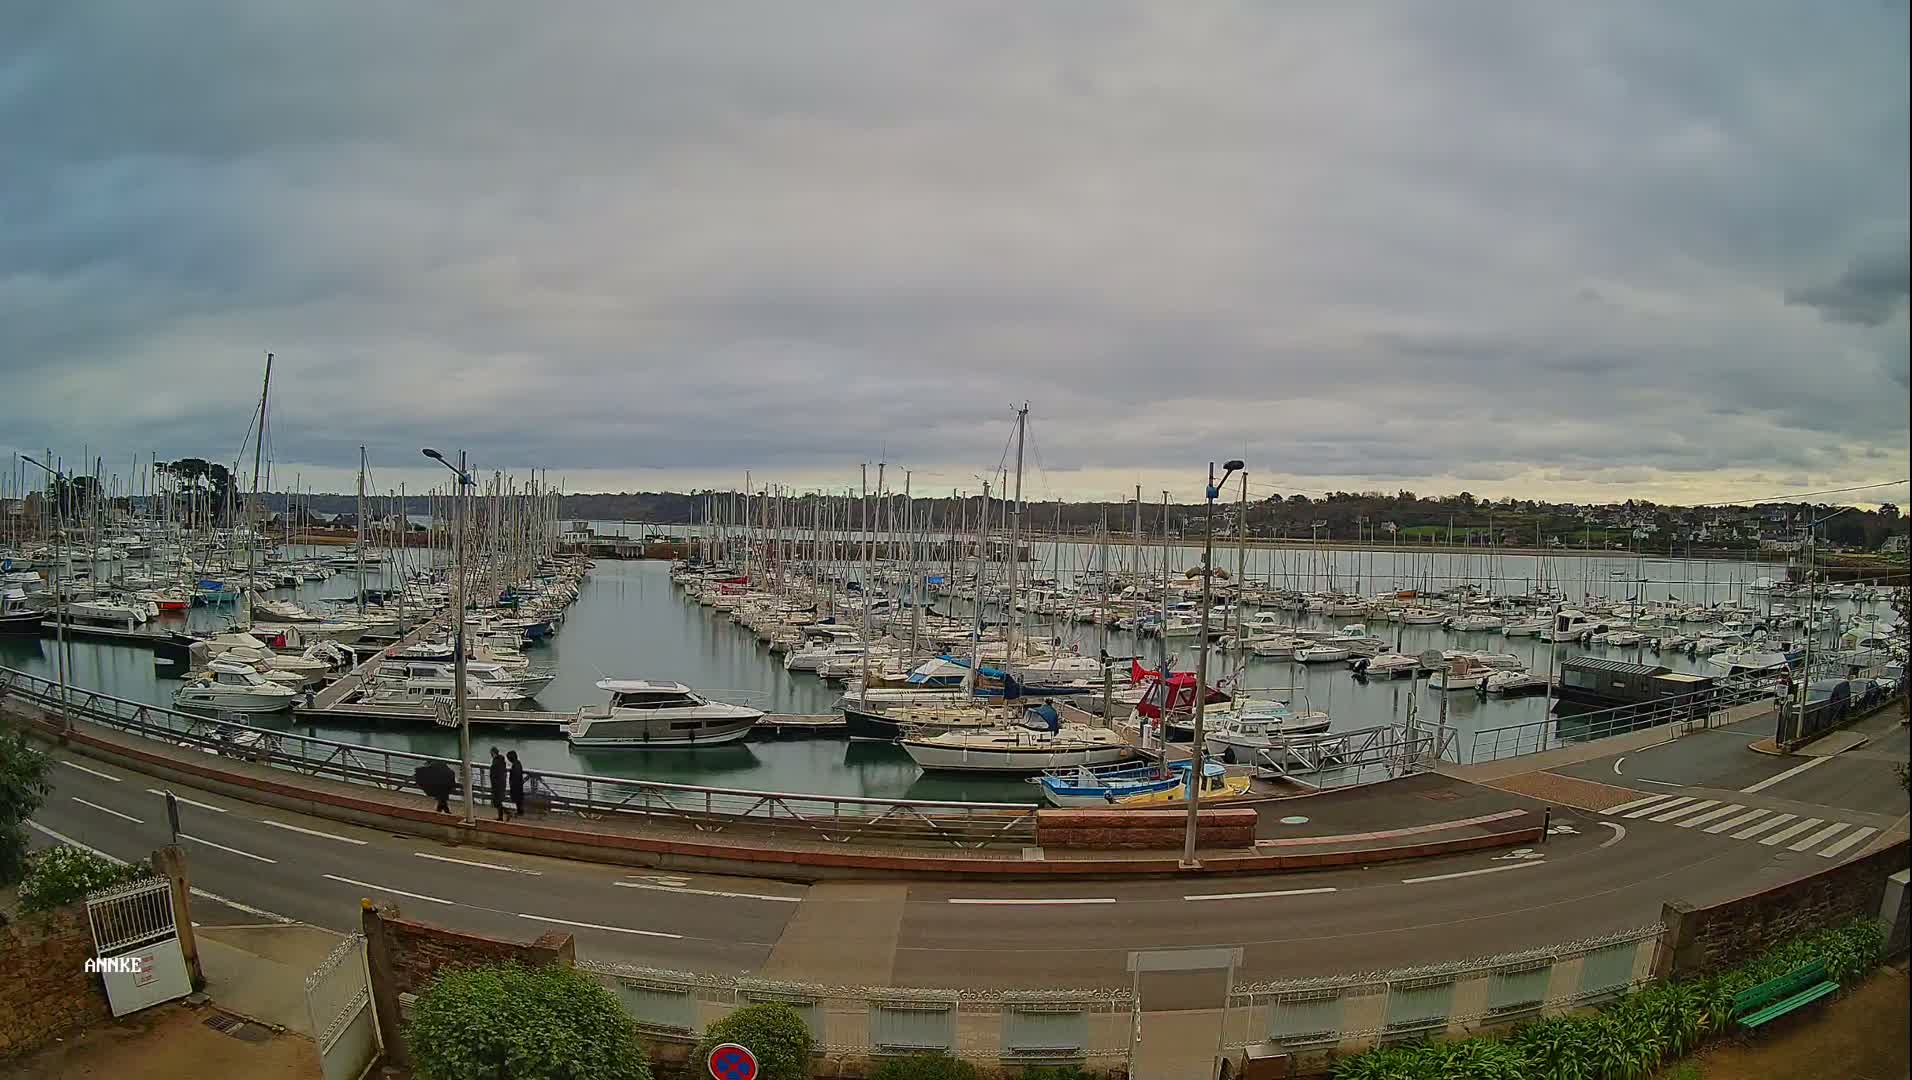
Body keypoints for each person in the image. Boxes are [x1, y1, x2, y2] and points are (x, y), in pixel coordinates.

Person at [488, 747, 508, 821]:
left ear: (493, 753)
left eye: (491, 753)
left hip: (497, 785)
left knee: (497, 801)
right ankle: (503, 815)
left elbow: (494, 774)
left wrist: (494, 783)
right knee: (498, 801)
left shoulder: (496, 762)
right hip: (501, 784)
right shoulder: (501, 761)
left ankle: (504, 814)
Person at [507, 750, 526, 818]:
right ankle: (519, 811)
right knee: (518, 800)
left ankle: (520, 812)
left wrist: (512, 784)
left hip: (516, 785)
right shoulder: (518, 763)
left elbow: (516, 776)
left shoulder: (515, 765)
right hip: (518, 785)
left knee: (518, 799)